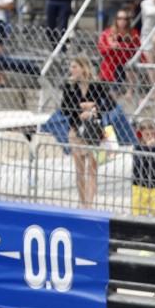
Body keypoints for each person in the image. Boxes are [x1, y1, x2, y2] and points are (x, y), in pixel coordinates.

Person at [51, 57, 118, 209]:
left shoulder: (97, 85)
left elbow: (111, 103)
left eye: (74, 66)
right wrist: (81, 107)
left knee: (92, 168)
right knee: (79, 169)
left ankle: (89, 204)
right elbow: (64, 108)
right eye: (71, 66)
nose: (71, 70)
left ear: (83, 68)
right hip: (76, 129)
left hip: (93, 130)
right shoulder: (70, 86)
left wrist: (94, 108)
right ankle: (82, 202)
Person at [98, 9, 141, 87]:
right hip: (112, 64)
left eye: (125, 19)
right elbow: (102, 50)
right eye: (120, 18)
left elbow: (135, 48)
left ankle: (128, 91)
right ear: (116, 20)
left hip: (126, 62)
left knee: (129, 66)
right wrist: (111, 46)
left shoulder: (133, 32)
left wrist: (119, 45)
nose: (122, 21)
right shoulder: (107, 32)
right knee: (109, 63)